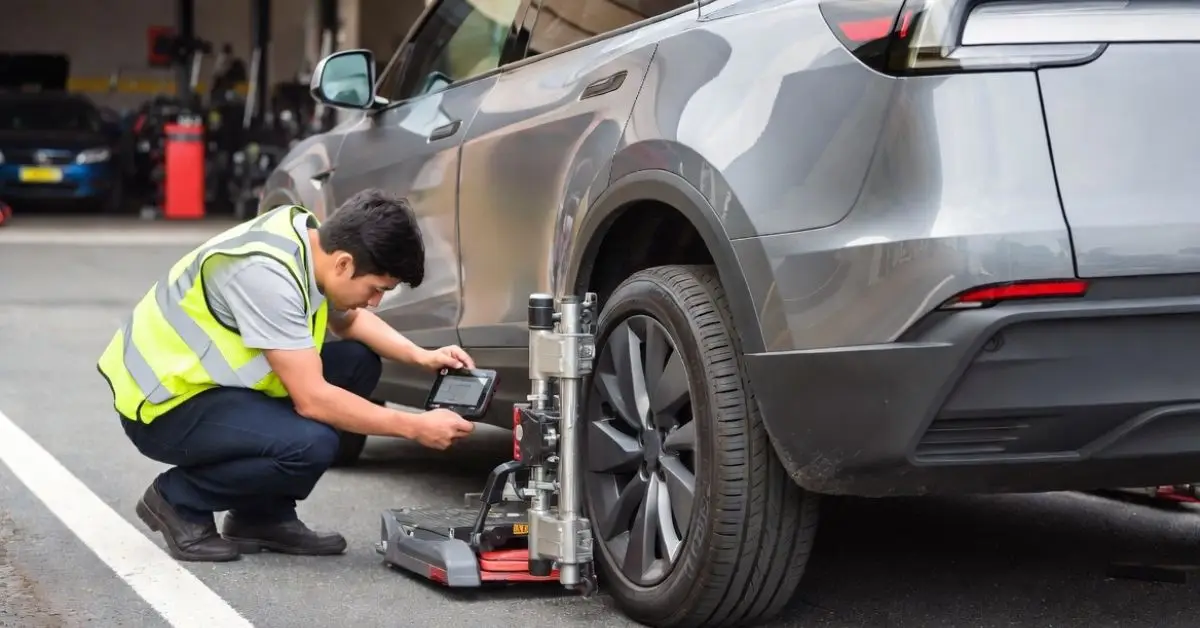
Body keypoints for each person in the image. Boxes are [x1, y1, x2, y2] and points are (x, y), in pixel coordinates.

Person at [96, 189, 477, 563]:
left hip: (214, 388)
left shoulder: (309, 244)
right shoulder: (266, 275)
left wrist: (421, 356)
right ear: (344, 263)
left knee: (358, 362)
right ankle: (178, 499)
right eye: (376, 289)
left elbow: (351, 321)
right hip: (165, 406)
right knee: (310, 443)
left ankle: (261, 516)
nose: (375, 301)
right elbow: (313, 400)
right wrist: (415, 426)